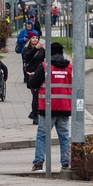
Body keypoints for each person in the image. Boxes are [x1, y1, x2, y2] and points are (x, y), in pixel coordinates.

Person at [29, 42, 72, 172]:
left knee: (42, 136)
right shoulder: (69, 67)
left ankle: (38, 164)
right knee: (64, 137)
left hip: (47, 109)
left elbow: (33, 83)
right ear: (62, 52)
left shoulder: (45, 66)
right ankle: (66, 164)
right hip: (64, 108)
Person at [22, 33, 44, 124]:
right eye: (33, 38)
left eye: (36, 38)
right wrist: (35, 49)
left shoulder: (42, 50)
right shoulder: (27, 49)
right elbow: (27, 57)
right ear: (30, 40)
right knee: (35, 96)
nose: (35, 39)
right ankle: (35, 115)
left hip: (40, 74)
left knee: (39, 95)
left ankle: (34, 113)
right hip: (31, 75)